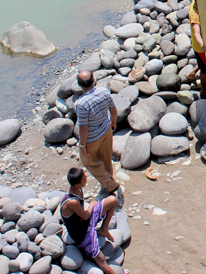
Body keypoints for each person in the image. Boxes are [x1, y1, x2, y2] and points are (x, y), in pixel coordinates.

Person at [74, 70, 122, 203]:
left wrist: (82, 145)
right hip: (106, 130)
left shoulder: (81, 104)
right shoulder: (104, 92)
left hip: (92, 138)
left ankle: (111, 185)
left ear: (79, 85)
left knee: (89, 162)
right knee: (106, 157)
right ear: (94, 80)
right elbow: (113, 110)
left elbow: (83, 128)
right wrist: (113, 122)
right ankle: (108, 181)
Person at [61, 167, 118, 274]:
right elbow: (86, 216)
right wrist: (91, 204)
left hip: (85, 221)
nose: (87, 178)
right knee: (101, 259)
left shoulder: (77, 188)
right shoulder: (71, 201)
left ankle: (103, 229)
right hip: (81, 233)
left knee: (113, 200)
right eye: (85, 178)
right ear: (78, 184)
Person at [187, 0, 206, 98]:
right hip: (200, 47)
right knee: (204, 68)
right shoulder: (195, 15)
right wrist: (202, 45)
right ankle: (204, 90)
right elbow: (196, 33)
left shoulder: (194, 3)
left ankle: (192, 73)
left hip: (198, 45)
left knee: (202, 62)